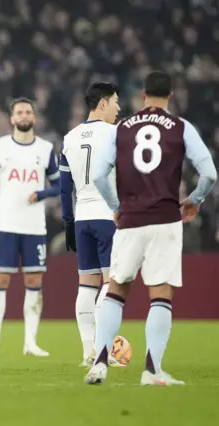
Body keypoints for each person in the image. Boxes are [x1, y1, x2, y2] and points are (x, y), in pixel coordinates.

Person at [85, 71, 217, 386]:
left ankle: (100, 364)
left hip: (130, 219)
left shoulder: (122, 129)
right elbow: (209, 173)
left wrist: (116, 208)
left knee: (116, 288)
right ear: (170, 96)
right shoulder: (182, 128)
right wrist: (194, 200)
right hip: (166, 219)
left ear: (142, 95)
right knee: (160, 293)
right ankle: (152, 371)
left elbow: (100, 176)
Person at [0, 98, 60, 357]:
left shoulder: (46, 149)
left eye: (28, 112)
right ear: (12, 119)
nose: (24, 116)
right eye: (19, 112)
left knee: (34, 280)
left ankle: (31, 343)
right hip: (5, 224)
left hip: (34, 226)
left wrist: (43, 193)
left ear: (34, 118)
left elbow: (61, 186)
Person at [60, 82, 122, 366]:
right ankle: (101, 348)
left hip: (82, 216)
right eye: (115, 102)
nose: (118, 108)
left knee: (86, 286)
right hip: (108, 216)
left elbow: (64, 188)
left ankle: (88, 350)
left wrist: (68, 222)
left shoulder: (69, 137)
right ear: (102, 104)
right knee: (111, 284)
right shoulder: (115, 134)